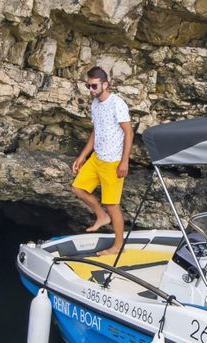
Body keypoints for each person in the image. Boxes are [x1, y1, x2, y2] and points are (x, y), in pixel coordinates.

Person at [71, 66, 133, 256]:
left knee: (113, 205)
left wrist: (124, 162)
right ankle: (101, 215)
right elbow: (96, 131)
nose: (90, 90)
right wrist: (83, 156)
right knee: (77, 188)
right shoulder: (95, 104)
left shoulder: (117, 104)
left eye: (94, 86)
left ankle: (117, 246)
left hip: (113, 162)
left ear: (105, 84)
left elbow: (128, 132)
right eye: (88, 86)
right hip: (97, 158)